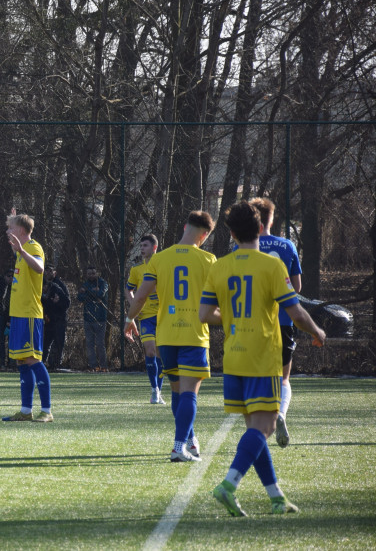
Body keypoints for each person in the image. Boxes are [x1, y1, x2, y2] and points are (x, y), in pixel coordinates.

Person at [200, 201, 326, 516]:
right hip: (262, 356)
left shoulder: (219, 266)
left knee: (254, 431)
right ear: (260, 229)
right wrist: (317, 331)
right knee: (265, 426)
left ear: (230, 233)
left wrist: (229, 316)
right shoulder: (271, 265)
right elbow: (295, 311)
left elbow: (205, 314)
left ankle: (276, 497)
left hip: (233, 356)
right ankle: (228, 485)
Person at [125, 211, 216, 461]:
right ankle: (179, 447)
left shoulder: (160, 259)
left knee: (177, 393)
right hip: (194, 335)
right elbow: (217, 304)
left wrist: (128, 320)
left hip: (166, 336)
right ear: (205, 235)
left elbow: (140, 296)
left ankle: (190, 440)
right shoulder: (209, 260)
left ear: (185, 226)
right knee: (189, 394)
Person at [233, 197, 302, 449]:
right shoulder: (287, 246)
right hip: (283, 321)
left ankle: (254, 428)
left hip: (250, 324)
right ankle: (280, 413)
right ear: (271, 220)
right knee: (283, 378)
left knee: (252, 378)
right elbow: (296, 288)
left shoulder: (241, 248)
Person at [2, 214, 52, 422]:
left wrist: (21, 250)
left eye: (10, 227)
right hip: (18, 314)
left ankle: (47, 411)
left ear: (21, 231)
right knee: (22, 361)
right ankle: (25, 411)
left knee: (33, 359)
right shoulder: (20, 253)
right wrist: (13, 217)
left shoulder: (32, 247)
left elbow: (40, 268)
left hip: (30, 314)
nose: (7, 232)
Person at [127, 235, 164, 403]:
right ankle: (154, 389)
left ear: (154, 247)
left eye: (145, 245)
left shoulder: (164, 265)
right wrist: (135, 306)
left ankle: (159, 390)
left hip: (164, 316)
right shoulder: (136, 269)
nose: (142, 248)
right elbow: (128, 289)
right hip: (146, 317)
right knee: (150, 351)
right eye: (140, 245)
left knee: (161, 354)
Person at [78, 266, 109, 371]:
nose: (91, 275)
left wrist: (87, 292)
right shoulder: (85, 284)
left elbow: (101, 293)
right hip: (88, 318)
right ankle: (93, 366)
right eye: (89, 273)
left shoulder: (103, 283)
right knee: (89, 344)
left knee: (100, 343)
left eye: (93, 273)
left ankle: (103, 366)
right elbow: (80, 297)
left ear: (97, 273)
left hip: (100, 318)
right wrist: (92, 292)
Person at [41, 264, 71, 370]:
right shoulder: (41, 283)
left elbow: (67, 302)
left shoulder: (59, 286)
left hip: (59, 319)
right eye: (46, 271)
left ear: (55, 273)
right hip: (49, 319)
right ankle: (42, 363)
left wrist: (57, 303)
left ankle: (56, 364)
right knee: (45, 343)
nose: (48, 273)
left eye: (50, 271)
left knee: (59, 342)